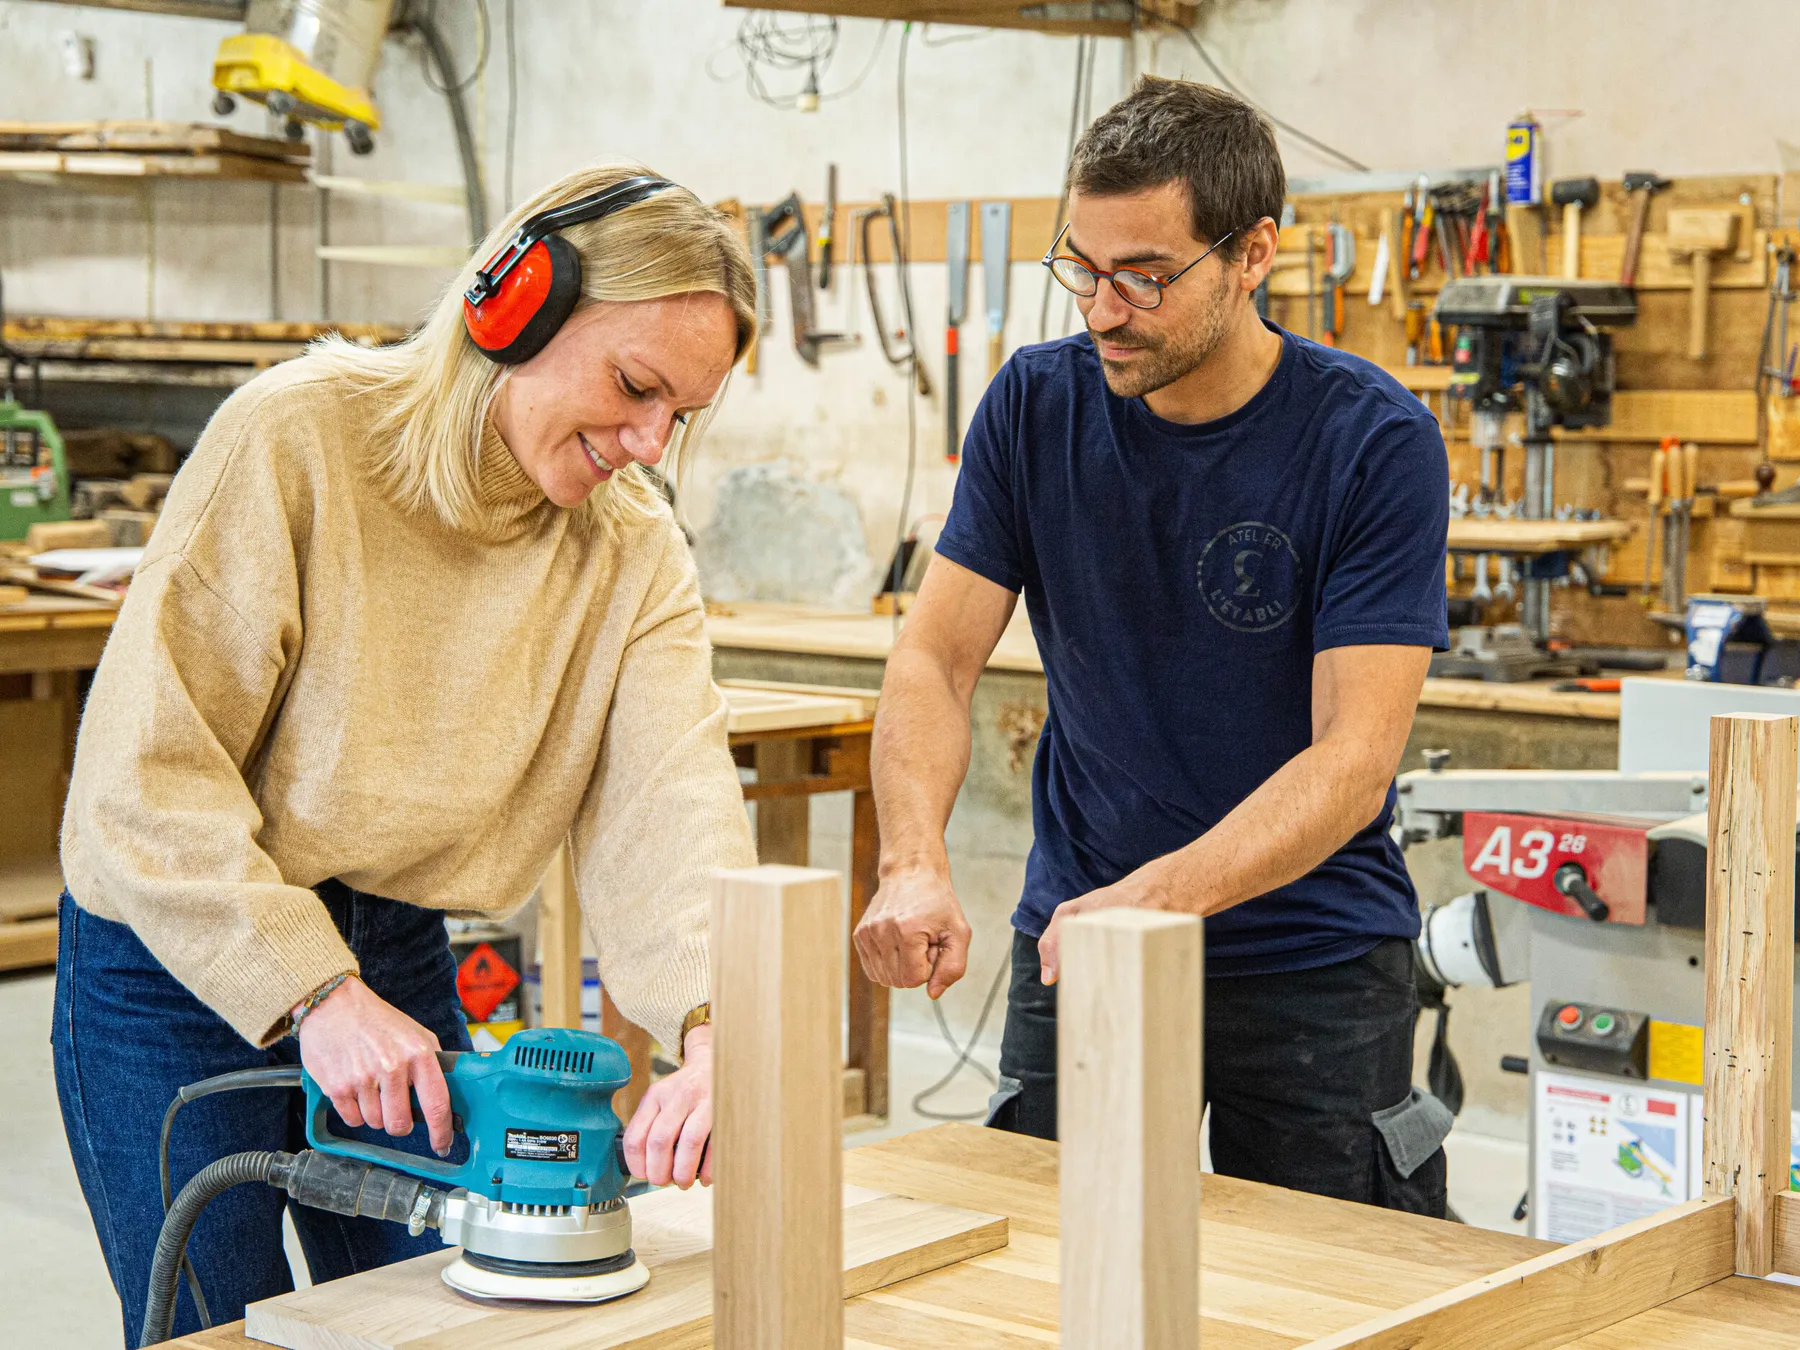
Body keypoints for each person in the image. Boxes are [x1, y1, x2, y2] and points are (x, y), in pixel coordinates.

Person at [51, 163, 758, 1341]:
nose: (648, 444)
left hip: (392, 946)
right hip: (178, 946)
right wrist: (313, 990)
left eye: (678, 415)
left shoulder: (631, 548)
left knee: (445, 1317)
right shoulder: (296, 438)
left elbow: (671, 805)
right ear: (516, 305)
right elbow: (143, 779)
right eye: (635, 387)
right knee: (214, 1325)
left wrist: (716, 1027)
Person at [853, 77, 1452, 1215]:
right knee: (1051, 1262)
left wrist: (1157, 898)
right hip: (1083, 942)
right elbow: (934, 659)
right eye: (1081, 268)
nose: (1102, 310)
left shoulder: (1372, 441)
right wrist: (913, 860)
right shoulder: (1033, 408)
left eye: (1145, 275)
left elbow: (1352, 760)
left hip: (1312, 962)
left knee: (1327, 1284)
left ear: (1252, 253)